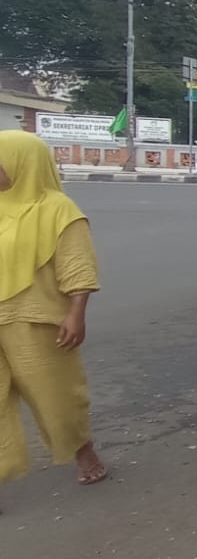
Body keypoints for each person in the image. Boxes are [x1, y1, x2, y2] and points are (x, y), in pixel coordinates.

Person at [0, 130, 108, 489]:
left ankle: (83, 450)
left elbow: (77, 265)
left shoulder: (58, 209)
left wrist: (76, 312)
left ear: (23, 164)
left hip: (36, 319)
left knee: (57, 397)